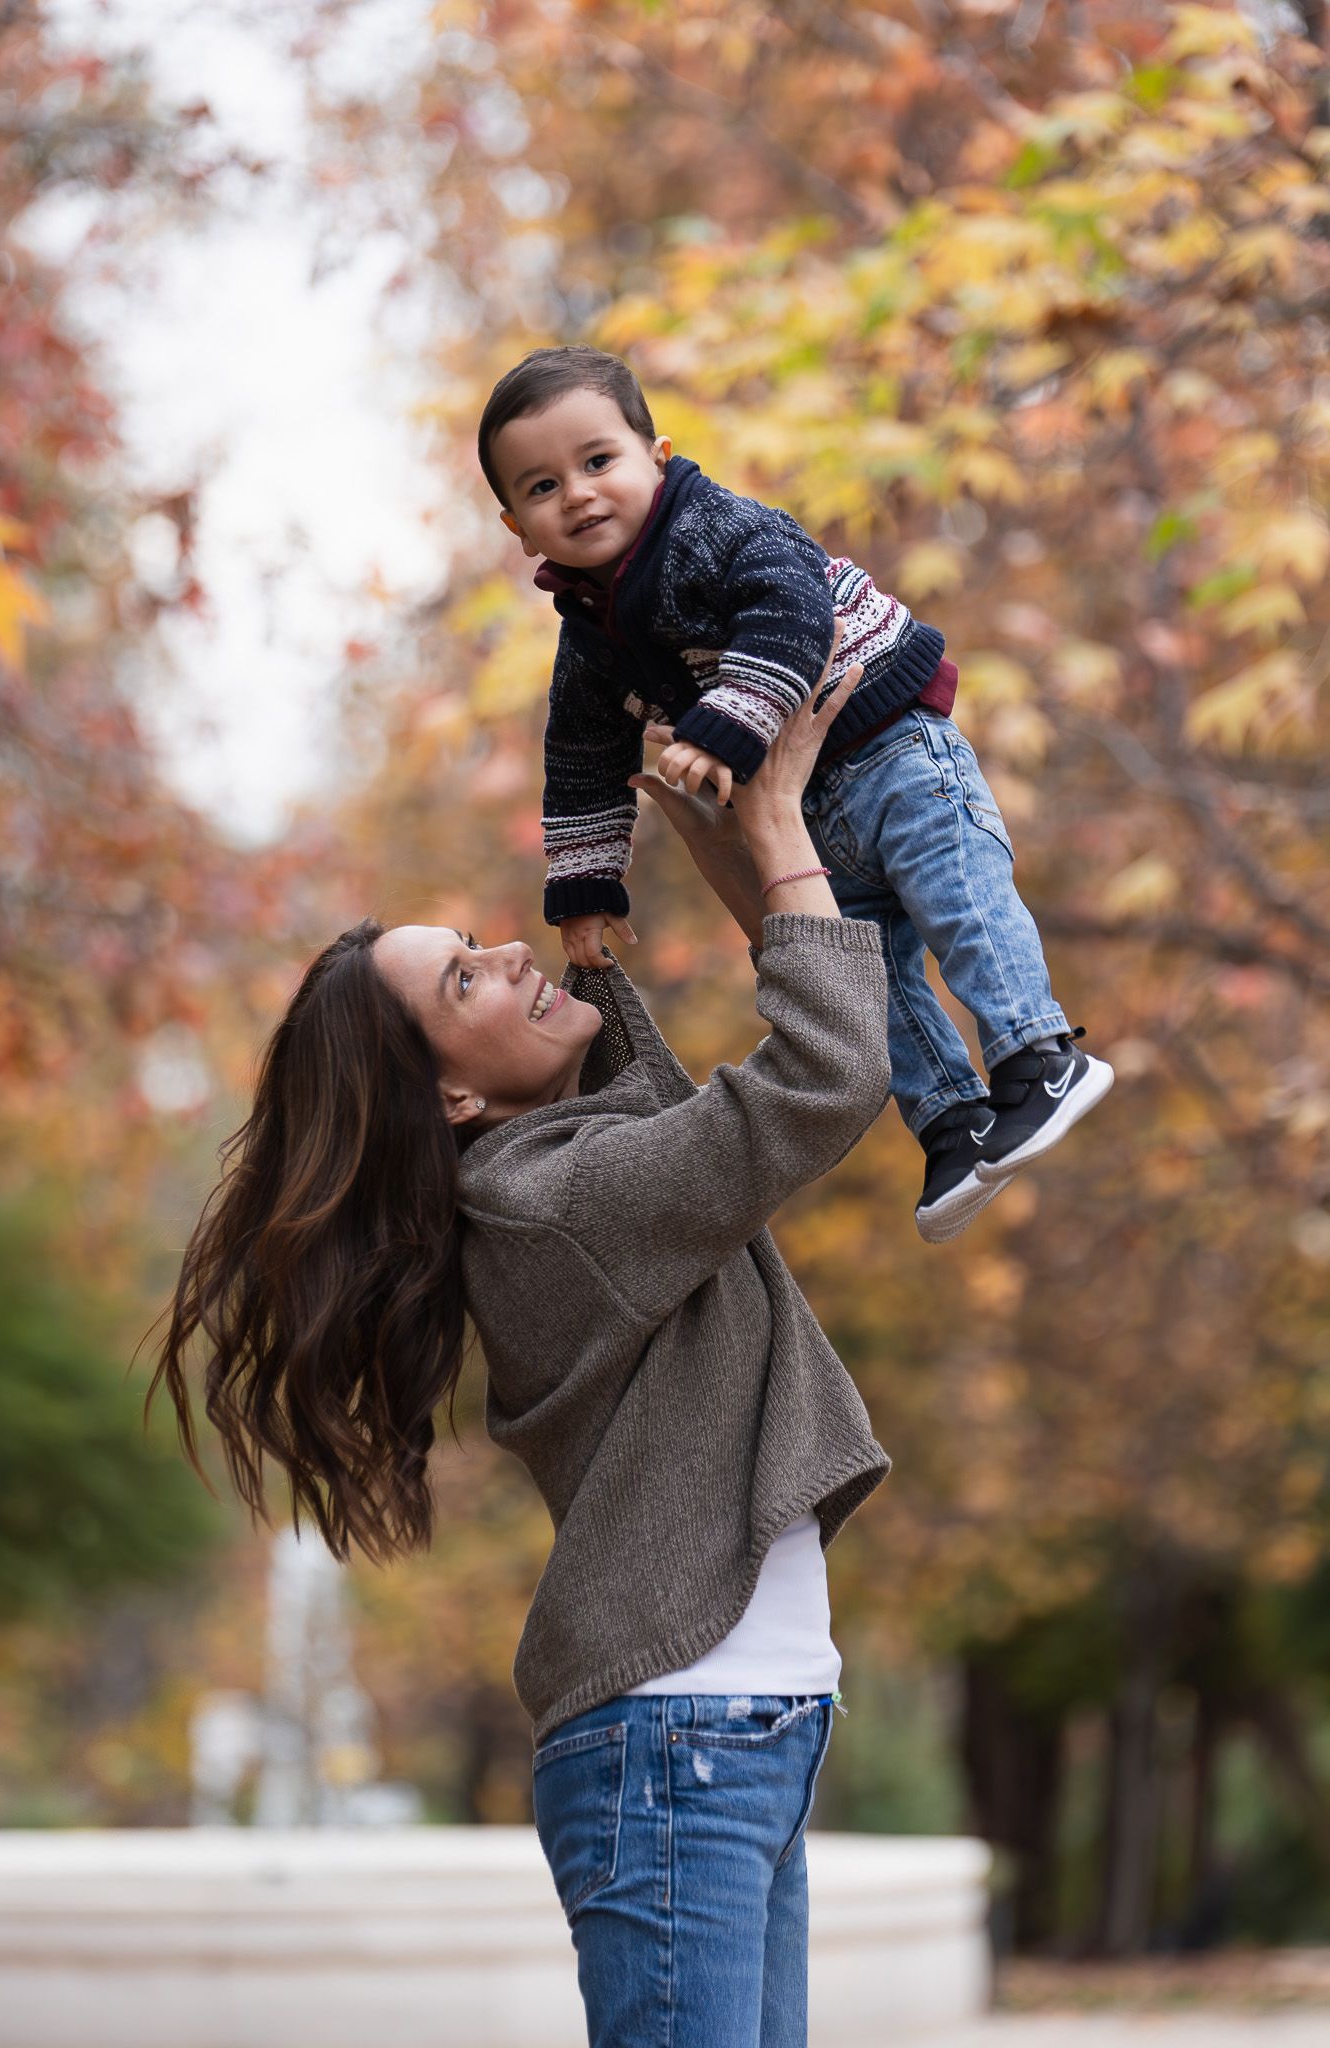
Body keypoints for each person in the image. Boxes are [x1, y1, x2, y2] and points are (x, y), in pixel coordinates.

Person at [152, 668, 893, 2048]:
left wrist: (715, 838)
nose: (510, 958)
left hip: (731, 1731)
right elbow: (817, 1083)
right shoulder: (554, 1204)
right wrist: (777, 831)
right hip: (681, 1745)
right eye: (464, 977)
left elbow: (689, 1092)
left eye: (486, 940)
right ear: (447, 1091)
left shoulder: (573, 1170)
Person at [477, 344, 1113, 1243]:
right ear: (515, 525)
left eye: (597, 462)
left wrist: (723, 725)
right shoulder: (588, 638)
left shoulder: (716, 527)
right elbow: (579, 761)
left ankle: (1036, 1054)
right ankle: (950, 1122)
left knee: (958, 900)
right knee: (868, 972)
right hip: (811, 805)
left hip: (893, 747)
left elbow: (789, 615)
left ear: (656, 459)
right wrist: (584, 888)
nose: (577, 493)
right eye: (542, 487)